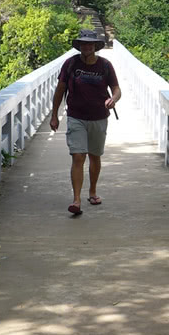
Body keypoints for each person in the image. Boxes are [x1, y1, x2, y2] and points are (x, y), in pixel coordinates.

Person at [49, 29, 121, 215]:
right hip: (76, 116)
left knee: (94, 156)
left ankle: (93, 192)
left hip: (99, 117)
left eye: (90, 44)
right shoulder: (71, 64)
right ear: (79, 46)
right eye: (83, 44)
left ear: (95, 46)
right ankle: (76, 200)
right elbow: (60, 89)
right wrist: (54, 115)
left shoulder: (105, 65)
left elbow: (116, 88)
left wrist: (113, 99)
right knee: (78, 156)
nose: (86, 47)